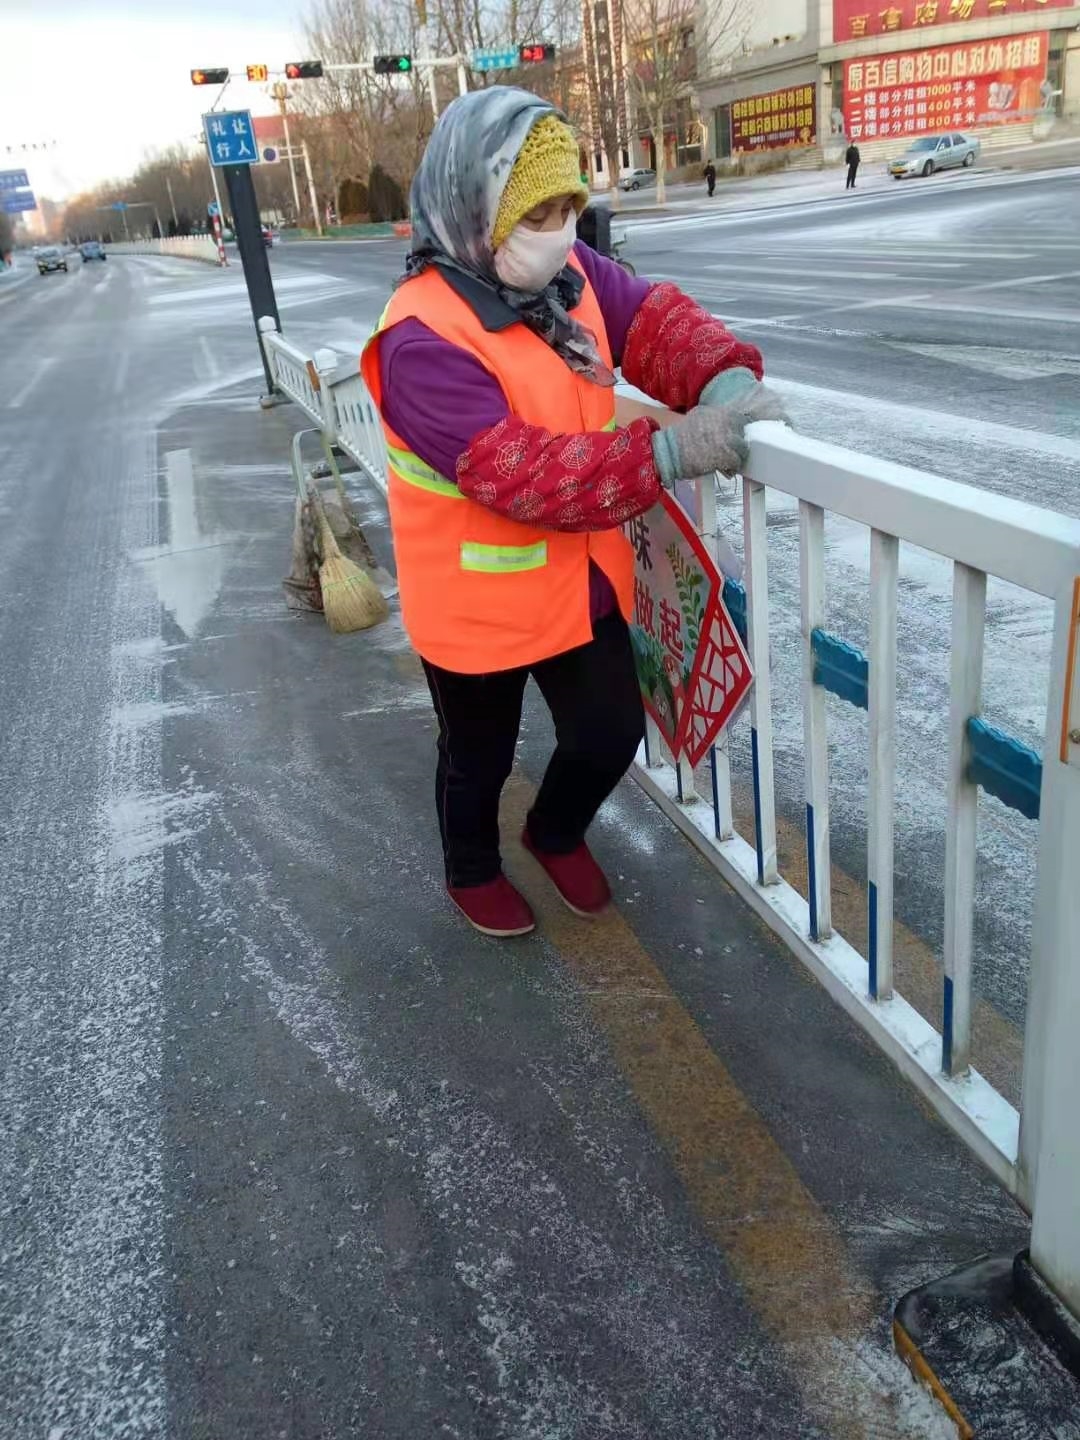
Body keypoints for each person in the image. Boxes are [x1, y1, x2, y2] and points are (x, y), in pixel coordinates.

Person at [361, 87, 785, 938]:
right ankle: (471, 867)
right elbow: (522, 474)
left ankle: (553, 831)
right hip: (476, 608)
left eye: (568, 209)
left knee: (610, 732)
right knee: (478, 758)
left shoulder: (566, 277)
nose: (559, 233)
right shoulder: (419, 338)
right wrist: (669, 453)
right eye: (536, 213)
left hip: (579, 579)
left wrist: (722, 376)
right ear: (474, 208)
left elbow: (652, 320)